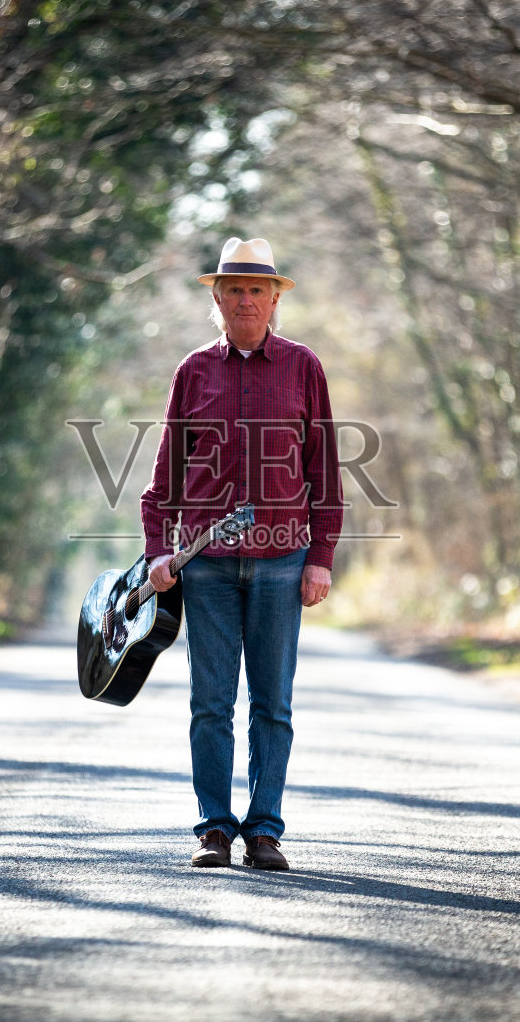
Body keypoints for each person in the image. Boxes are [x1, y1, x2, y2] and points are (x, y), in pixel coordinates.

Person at [140, 236, 343, 871]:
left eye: (258, 289)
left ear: (275, 298)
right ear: (219, 300)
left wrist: (321, 556)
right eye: (235, 290)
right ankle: (213, 829)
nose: (246, 300)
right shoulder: (193, 372)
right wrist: (157, 552)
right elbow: (163, 481)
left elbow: (326, 473)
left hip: (286, 561)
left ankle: (265, 832)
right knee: (210, 701)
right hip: (208, 567)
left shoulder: (304, 368)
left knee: (272, 703)